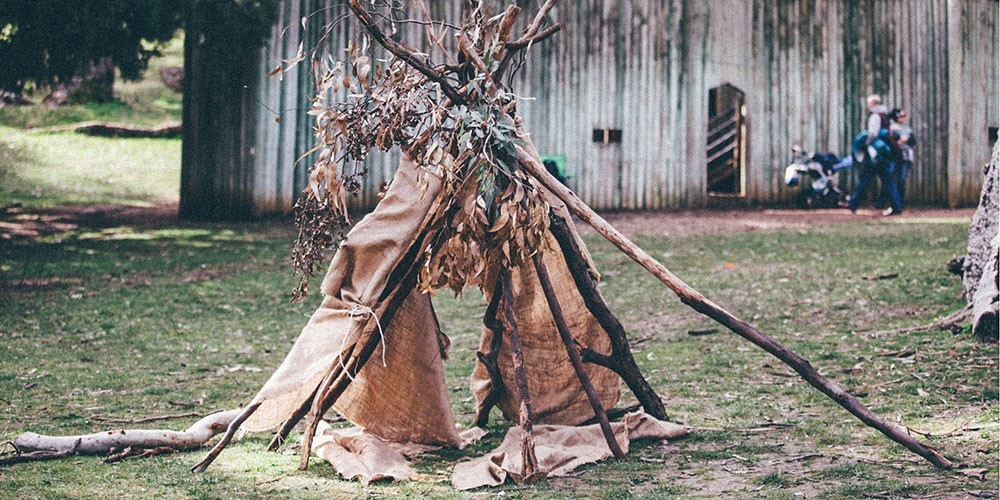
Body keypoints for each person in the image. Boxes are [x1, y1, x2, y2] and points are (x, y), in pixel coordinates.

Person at [847, 94, 893, 213]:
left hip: (874, 153)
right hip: (883, 153)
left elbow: (873, 133)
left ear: (873, 104)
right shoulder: (885, 116)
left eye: (869, 104)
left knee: (865, 179)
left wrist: (865, 144)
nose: (868, 106)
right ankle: (896, 206)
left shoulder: (875, 116)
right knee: (888, 180)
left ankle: (853, 203)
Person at [881, 108, 915, 216]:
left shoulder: (907, 128)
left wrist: (905, 139)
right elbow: (891, 139)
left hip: (905, 157)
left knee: (901, 180)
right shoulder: (891, 128)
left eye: (903, 116)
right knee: (890, 178)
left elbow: (912, 141)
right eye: (900, 116)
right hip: (894, 157)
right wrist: (900, 139)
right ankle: (890, 203)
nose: (902, 118)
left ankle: (899, 203)